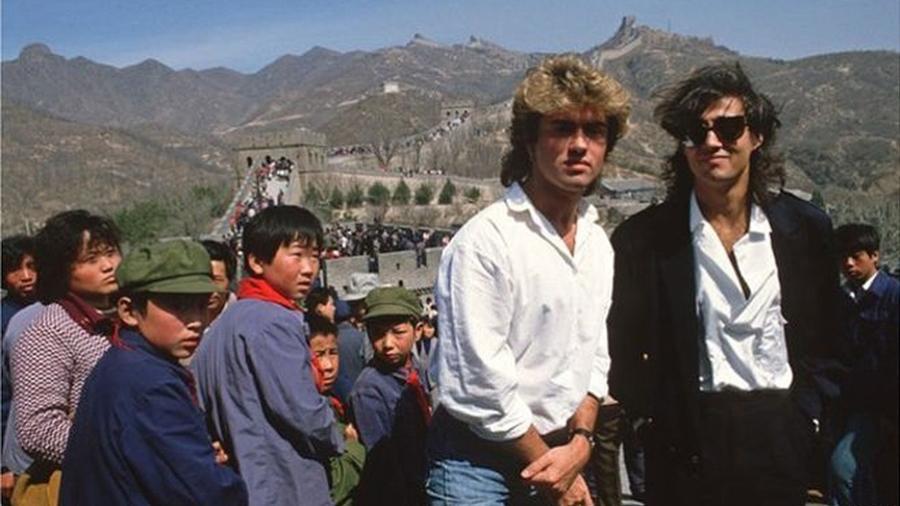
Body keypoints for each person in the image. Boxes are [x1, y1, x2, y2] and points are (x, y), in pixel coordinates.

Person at [607, 62, 842, 506]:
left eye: (729, 127)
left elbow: (829, 336)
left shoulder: (805, 230)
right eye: (696, 131)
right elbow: (621, 344)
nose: (712, 141)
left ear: (757, 137)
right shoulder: (646, 240)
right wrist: (650, 421)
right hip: (687, 443)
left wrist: (809, 414)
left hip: (780, 437)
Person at [427, 54, 630, 505]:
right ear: (530, 140)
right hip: (479, 462)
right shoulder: (486, 242)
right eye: (562, 128)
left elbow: (593, 355)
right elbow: (481, 385)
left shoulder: (597, 244)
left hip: (565, 446)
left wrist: (579, 443)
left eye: (594, 131)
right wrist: (558, 471)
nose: (580, 145)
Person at [60, 240, 248, 505]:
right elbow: (206, 493)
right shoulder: (151, 385)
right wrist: (216, 474)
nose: (195, 320)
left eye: (201, 304)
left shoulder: (123, 362)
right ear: (129, 311)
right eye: (179, 306)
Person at [191, 205, 344, 506]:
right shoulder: (273, 322)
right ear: (257, 261)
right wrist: (339, 437)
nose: (309, 268)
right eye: (297, 255)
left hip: (242, 480)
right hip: (284, 482)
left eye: (314, 256)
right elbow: (304, 410)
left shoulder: (225, 325)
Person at [10, 210, 122, 505]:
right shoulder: (49, 331)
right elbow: (38, 429)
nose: (108, 265)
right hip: (88, 486)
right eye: (91, 260)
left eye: (111, 253)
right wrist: (124, 447)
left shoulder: (128, 316)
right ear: (62, 269)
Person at [829, 224, 899, 506]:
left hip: (882, 410)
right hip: (850, 405)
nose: (848, 263)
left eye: (856, 256)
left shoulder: (893, 296)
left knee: (843, 468)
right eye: (843, 257)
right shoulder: (842, 300)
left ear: (875, 256)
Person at [349, 287, 429, 506]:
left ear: (418, 330)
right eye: (378, 334)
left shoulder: (419, 370)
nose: (387, 344)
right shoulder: (369, 390)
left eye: (398, 332)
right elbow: (383, 463)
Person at [306, 313, 366, 506]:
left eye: (333, 352)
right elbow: (333, 485)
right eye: (319, 355)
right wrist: (354, 447)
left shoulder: (333, 401)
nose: (328, 366)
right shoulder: (304, 411)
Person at [1, 235, 37, 499]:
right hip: (19, 453)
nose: (26, 276)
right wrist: (3, 464)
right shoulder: (5, 322)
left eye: (32, 266)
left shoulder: (57, 309)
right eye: (15, 269)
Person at [201, 239, 237, 322]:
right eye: (204, 279)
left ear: (229, 280)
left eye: (217, 280)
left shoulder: (243, 316)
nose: (209, 289)